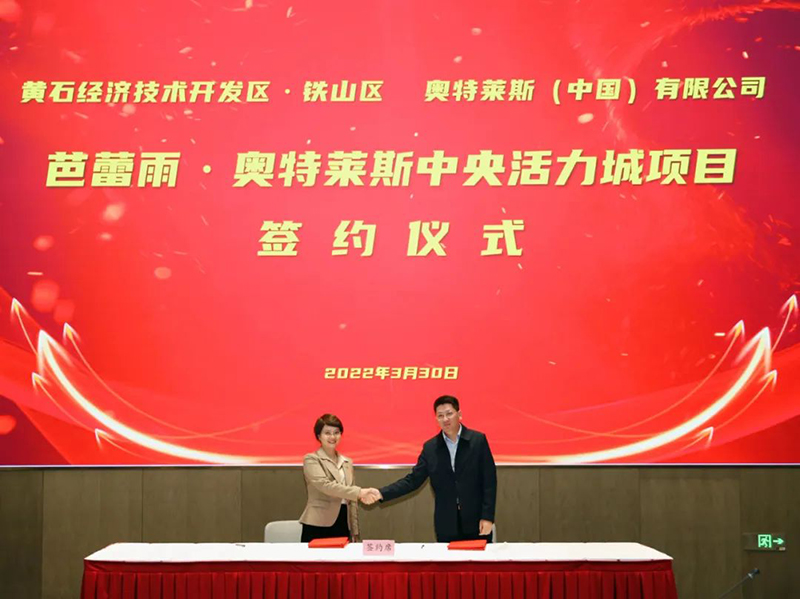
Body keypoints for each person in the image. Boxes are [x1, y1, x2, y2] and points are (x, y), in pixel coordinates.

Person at [368, 395, 497, 542]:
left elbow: (489, 481)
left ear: (459, 414)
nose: (445, 419)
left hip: (477, 521)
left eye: (449, 413)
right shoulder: (431, 448)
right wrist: (381, 493)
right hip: (447, 524)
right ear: (436, 419)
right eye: (440, 416)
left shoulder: (477, 441)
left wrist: (487, 517)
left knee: (479, 557)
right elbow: (413, 480)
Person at [299, 414, 380, 542]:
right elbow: (325, 486)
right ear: (319, 436)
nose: (332, 437)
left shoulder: (347, 462)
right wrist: (359, 492)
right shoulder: (311, 459)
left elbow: (351, 500)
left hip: (343, 521)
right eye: (327, 433)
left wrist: (354, 530)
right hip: (318, 522)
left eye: (336, 433)